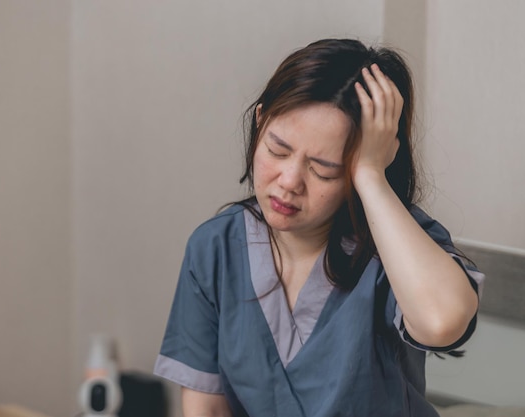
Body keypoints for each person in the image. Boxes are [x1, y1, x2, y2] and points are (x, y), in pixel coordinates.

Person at [153, 38, 484, 417]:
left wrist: (372, 177)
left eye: (323, 169)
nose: (289, 181)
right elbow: (206, 409)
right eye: (278, 150)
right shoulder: (215, 249)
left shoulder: (395, 245)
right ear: (259, 120)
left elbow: (442, 322)